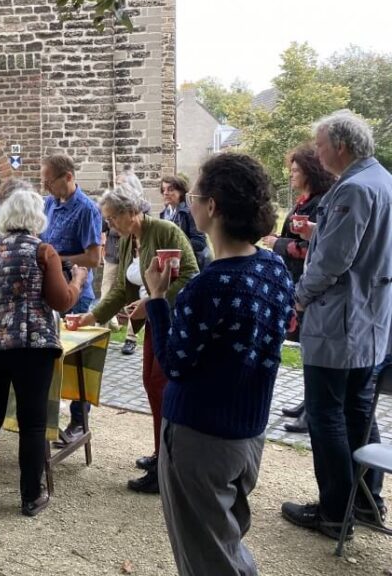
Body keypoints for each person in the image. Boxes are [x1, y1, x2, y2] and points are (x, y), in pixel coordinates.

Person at [144, 152, 293, 576]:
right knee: (226, 543)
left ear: (211, 207)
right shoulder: (275, 267)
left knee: (206, 559)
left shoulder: (207, 287)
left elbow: (174, 364)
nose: (190, 203)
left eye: (194, 196)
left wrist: (157, 299)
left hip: (200, 437)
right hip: (248, 434)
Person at [281, 110, 392, 540]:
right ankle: (366, 501)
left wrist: (298, 297)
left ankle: (333, 512)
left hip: (340, 321)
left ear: (341, 146)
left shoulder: (354, 189)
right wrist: (318, 234)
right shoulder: (382, 181)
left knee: (326, 414)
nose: (317, 151)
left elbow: (333, 261)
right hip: (370, 321)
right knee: (358, 410)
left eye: (321, 144)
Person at [0, 190, 86, 517]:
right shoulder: (43, 251)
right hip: (30, 346)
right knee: (32, 423)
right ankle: (31, 496)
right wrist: (78, 281)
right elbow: (61, 301)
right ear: (36, 218)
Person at [79, 185, 198, 494]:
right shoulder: (128, 239)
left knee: (160, 385)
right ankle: (162, 452)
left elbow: (191, 276)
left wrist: (153, 301)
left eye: (111, 218)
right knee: (151, 383)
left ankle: (167, 464)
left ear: (131, 212)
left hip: (173, 321)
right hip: (155, 320)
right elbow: (122, 288)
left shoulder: (165, 231)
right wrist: (92, 316)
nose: (109, 226)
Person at [260, 145, 335, 433]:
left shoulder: (320, 203)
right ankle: (308, 402)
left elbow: (311, 248)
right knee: (306, 346)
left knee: (312, 346)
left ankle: (313, 410)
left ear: (310, 172)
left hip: (310, 284)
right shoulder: (304, 201)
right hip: (294, 280)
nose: (291, 174)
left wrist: (277, 243)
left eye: (295, 170)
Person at [39, 153, 102, 441]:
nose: (46, 187)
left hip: (77, 295)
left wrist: (57, 259)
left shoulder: (87, 209)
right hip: (50, 291)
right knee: (49, 355)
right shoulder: (49, 203)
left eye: (49, 181)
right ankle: (48, 413)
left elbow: (93, 258)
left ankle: (79, 422)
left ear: (68, 177)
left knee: (77, 362)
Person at [110, 167, 152, 355]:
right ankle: (103, 329)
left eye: (121, 184)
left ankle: (131, 337)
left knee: (134, 294)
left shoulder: (146, 211)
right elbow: (106, 229)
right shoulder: (112, 206)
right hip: (112, 254)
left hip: (135, 255)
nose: (111, 224)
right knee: (109, 290)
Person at [160, 175, 211, 268]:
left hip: (195, 263)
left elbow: (199, 242)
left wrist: (175, 247)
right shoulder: (164, 214)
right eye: (163, 190)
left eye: (170, 189)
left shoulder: (189, 212)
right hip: (176, 263)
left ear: (181, 192)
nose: (165, 193)